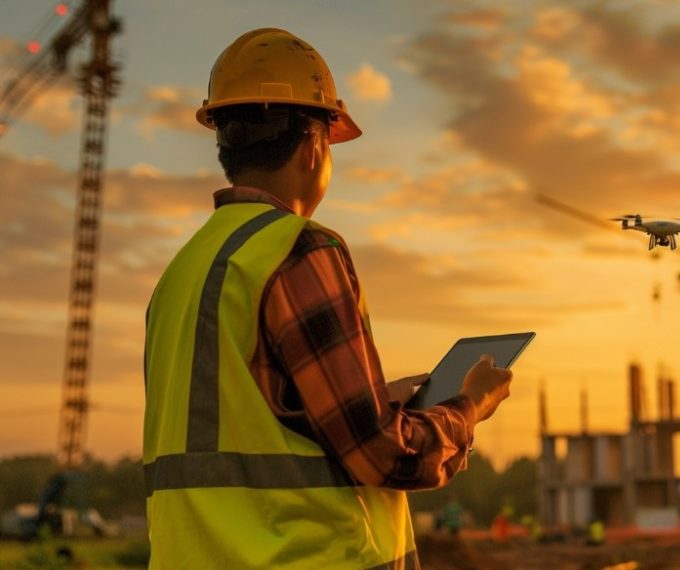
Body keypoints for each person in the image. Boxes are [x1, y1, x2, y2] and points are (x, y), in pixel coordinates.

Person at [143, 28, 513, 568]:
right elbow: (385, 456)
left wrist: (372, 397)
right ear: (316, 145)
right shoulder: (299, 249)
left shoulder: (183, 272)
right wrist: (469, 407)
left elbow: (246, 425)